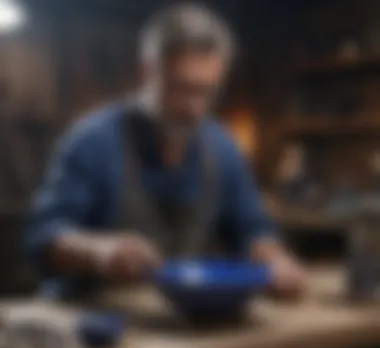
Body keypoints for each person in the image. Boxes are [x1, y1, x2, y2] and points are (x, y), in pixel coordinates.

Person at [24, 4, 307, 298]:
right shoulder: (93, 140)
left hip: (177, 325)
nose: (193, 108)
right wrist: (96, 251)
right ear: (146, 72)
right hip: (88, 315)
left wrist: (275, 260)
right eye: (180, 88)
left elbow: (252, 229)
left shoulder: (221, 147)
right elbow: (43, 239)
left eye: (206, 92)